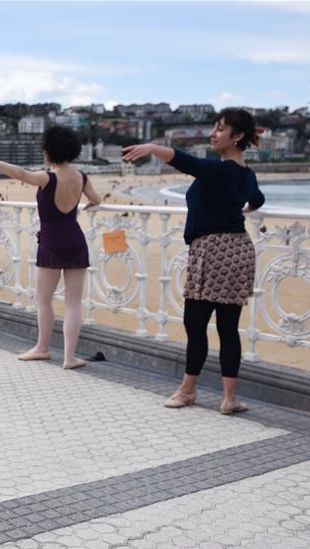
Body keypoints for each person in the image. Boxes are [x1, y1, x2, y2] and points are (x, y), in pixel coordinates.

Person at [122, 108, 265, 415]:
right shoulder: (246, 174)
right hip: (240, 249)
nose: (213, 134)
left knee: (195, 324)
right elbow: (257, 200)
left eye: (220, 129)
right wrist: (241, 211)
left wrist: (151, 148)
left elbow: (186, 162)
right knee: (228, 328)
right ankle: (228, 398)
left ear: (237, 136)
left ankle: (188, 390)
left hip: (212, 250)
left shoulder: (221, 170)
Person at [0, 126, 102, 368]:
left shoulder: (47, 177)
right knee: (73, 303)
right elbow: (97, 199)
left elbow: (21, 174)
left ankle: (43, 348)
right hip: (75, 239)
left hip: (52, 242)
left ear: (49, 150)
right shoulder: (81, 177)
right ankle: (70, 357)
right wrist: (90, 205)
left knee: (44, 300)